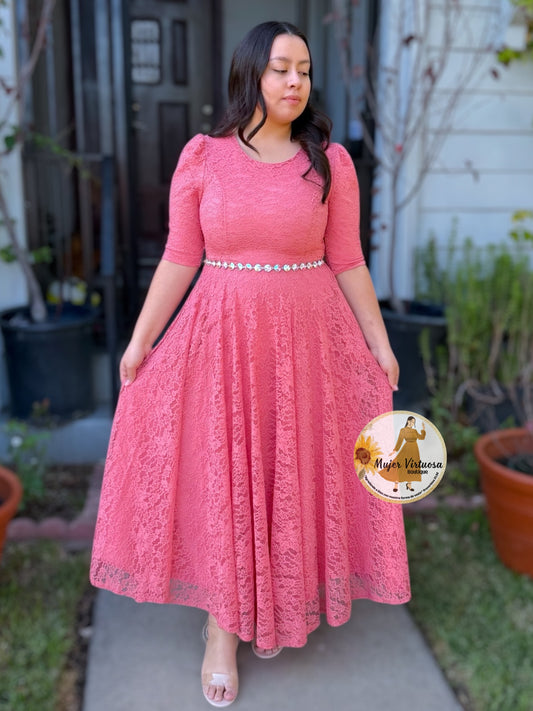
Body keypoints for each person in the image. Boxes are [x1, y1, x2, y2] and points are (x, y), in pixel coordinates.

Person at [90, 20, 411, 708]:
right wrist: (141, 339)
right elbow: (180, 255)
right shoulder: (203, 156)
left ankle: (279, 605)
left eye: (304, 70)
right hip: (223, 343)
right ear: (250, 75)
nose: (295, 82)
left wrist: (379, 343)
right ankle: (220, 632)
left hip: (309, 344)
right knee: (228, 481)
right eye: (280, 68)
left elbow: (348, 259)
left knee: (288, 474)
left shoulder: (330, 163)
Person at [380, 416, 427, 492]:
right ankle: (396, 484)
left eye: (413, 422)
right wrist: (395, 450)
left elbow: (421, 437)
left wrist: (423, 430)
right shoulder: (403, 430)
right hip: (406, 448)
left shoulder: (414, 431)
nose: (412, 423)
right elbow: (400, 441)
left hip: (414, 449)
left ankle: (409, 484)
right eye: (411, 421)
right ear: (408, 421)